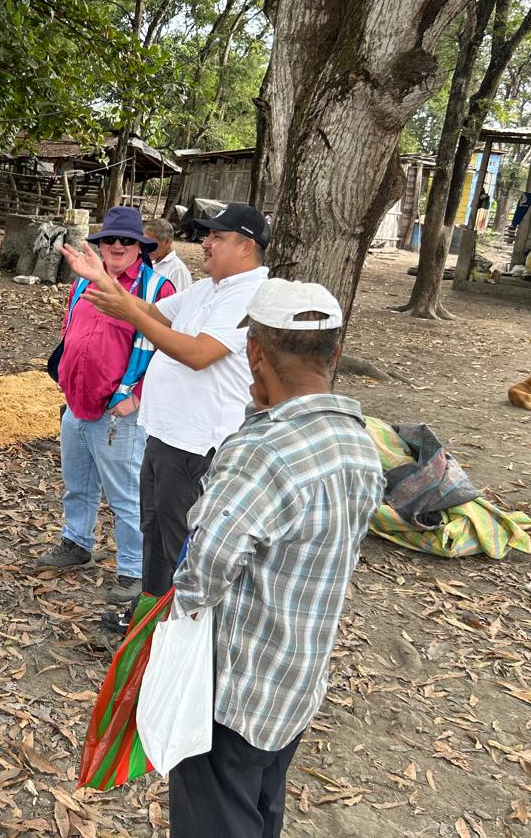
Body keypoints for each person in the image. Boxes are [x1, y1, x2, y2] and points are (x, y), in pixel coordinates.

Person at [164, 278, 385, 838]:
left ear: (254, 351)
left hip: (233, 692)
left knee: (215, 819)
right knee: (262, 808)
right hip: (296, 679)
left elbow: (203, 572)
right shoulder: (359, 443)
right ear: (335, 353)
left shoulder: (262, 451)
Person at [62, 202, 270, 633]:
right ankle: (149, 618)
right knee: (155, 532)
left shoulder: (247, 295)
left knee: (178, 539)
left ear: (245, 246)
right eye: (207, 235)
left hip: (197, 443)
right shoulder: (209, 288)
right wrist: (102, 280)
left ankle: (173, 630)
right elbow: (154, 313)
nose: (205, 243)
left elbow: (199, 353)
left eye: (216, 237)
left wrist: (130, 314)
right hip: (165, 433)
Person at [35, 206, 174, 606]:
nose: (116, 245)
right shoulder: (84, 281)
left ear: (140, 246)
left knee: (126, 495)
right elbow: (71, 330)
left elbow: (170, 351)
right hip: (77, 402)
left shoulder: (156, 290)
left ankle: (132, 569)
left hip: (119, 412)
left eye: (126, 240)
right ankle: (77, 542)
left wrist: (137, 396)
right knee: (77, 482)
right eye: (109, 239)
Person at [143, 217, 192, 292]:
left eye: (151, 245)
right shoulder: (150, 262)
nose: (147, 248)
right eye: (144, 243)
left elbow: (180, 298)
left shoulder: (177, 270)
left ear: (167, 242)